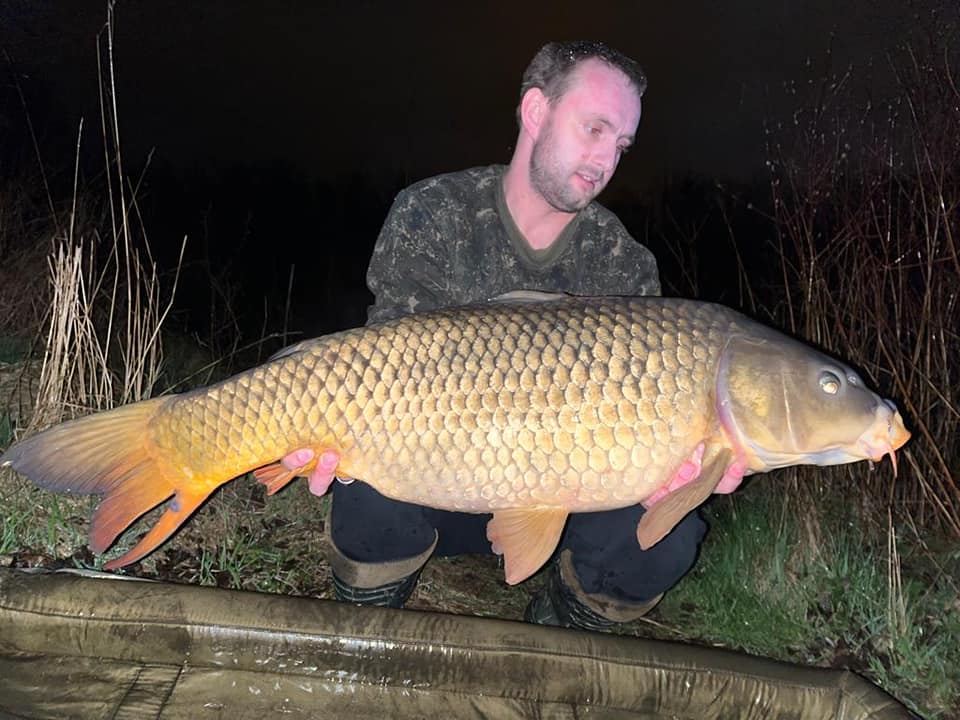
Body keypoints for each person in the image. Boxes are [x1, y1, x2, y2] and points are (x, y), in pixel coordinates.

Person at [278, 40, 706, 631]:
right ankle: (371, 625)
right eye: (595, 129)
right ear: (535, 111)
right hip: (435, 481)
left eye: (622, 144)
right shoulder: (433, 212)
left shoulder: (624, 265)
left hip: (565, 503)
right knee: (366, 493)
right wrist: (330, 432)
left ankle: (560, 624)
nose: (607, 159)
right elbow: (383, 372)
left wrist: (675, 474)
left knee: (669, 537)